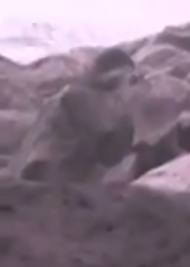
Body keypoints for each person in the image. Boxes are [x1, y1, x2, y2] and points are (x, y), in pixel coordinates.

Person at [9, 47, 137, 182]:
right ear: (116, 79)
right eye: (131, 80)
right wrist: (129, 115)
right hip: (45, 181)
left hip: (34, 176)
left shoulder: (73, 95)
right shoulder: (82, 99)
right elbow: (110, 156)